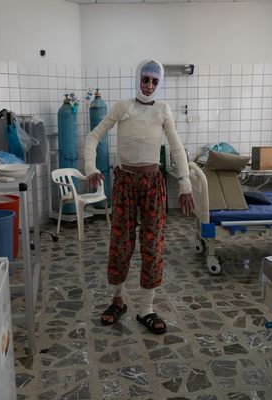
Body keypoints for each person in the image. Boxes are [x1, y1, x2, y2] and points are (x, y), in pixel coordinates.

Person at [84, 59, 194, 335]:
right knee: (121, 243)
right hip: (124, 184)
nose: (149, 85)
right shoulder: (123, 107)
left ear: (159, 83)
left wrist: (185, 184)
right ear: (138, 79)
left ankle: (146, 308)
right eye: (145, 79)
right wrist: (90, 168)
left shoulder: (163, 110)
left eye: (155, 81)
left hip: (152, 186)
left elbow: (177, 149)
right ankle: (117, 300)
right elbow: (93, 137)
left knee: (153, 245)